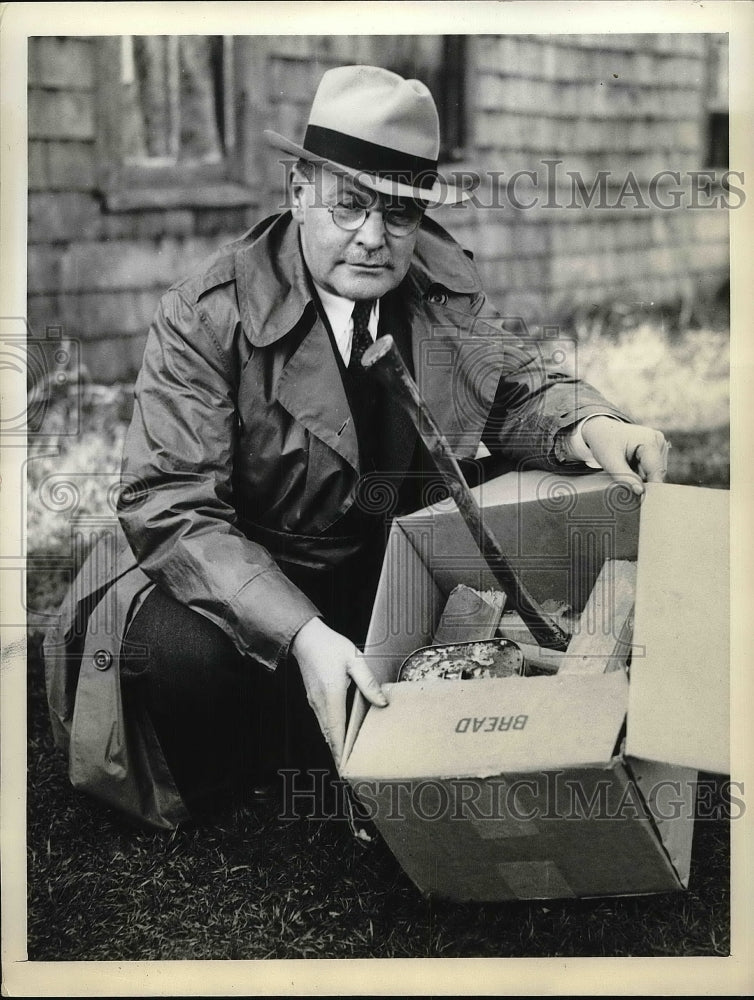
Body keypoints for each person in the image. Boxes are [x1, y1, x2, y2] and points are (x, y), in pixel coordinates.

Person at [44, 65, 669, 830]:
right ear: (299, 188)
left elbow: (508, 387)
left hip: (368, 566)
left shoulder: (441, 284)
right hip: (229, 575)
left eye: (399, 213)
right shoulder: (207, 314)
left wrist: (593, 427)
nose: (373, 238)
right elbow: (172, 507)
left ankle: (336, 724)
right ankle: (277, 740)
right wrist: (301, 634)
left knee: (464, 611)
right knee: (186, 666)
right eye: (349, 204)